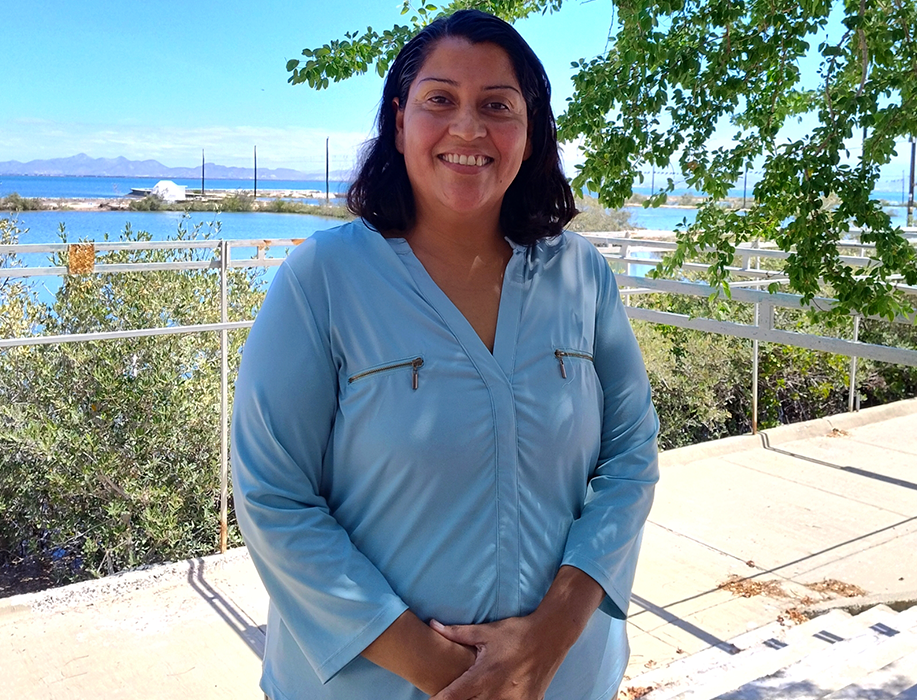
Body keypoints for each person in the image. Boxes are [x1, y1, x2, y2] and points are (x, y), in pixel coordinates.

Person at [230, 9, 659, 700]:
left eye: (497, 105)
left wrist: (550, 636)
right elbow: (273, 497)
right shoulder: (322, 281)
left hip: (565, 678)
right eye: (440, 100)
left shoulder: (582, 276)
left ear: (530, 131)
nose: (468, 127)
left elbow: (631, 454)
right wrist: (450, 675)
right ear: (399, 123)